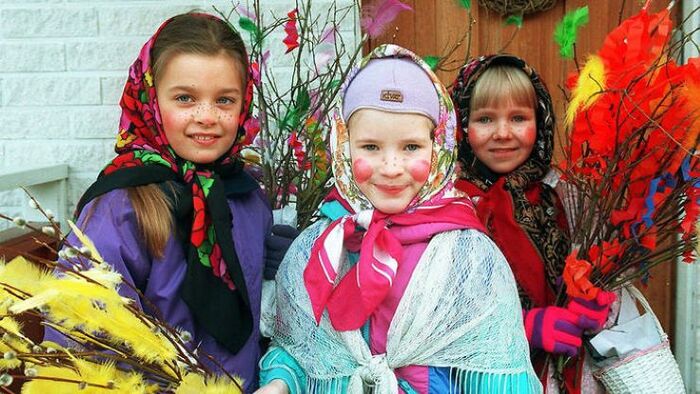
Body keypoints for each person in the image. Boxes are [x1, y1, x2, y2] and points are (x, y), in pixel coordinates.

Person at [256, 44, 542, 394]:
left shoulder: (467, 256)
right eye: (370, 147)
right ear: (343, 147)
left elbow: (496, 371)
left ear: (438, 148)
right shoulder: (319, 247)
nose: (391, 168)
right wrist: (279, 383)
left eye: (411, 147)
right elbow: (299, 351)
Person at [48, 13, 281, 392]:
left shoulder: (248, 198)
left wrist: (290, 265)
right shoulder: (122, 205)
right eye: (185, 98)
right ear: (150, 100)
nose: (206, 116)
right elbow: (80, 332)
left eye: (224, 100)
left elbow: (264, 317)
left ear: (244, 106)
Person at [451, 54, 616, 393]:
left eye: (518, 118)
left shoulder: (566, 197)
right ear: (461, 124)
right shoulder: (448, 205)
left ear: (539, 123)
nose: (502, 133)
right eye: (484, 119)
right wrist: (523, 327)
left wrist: (595, 301)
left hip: (563, 378)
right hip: (483, 379)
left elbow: (599, 270)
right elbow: (439, 312)